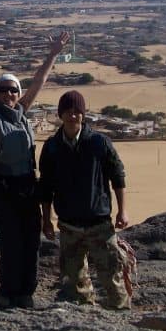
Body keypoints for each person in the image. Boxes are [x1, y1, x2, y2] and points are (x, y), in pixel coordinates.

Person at [0, 31, 70, 309]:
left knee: (31, 241)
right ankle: (7, 293)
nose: (9, 93)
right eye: (4, 89)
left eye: (13, 90)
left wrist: (53, 54)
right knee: (11, 242)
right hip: (5, 190)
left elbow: (39, 81)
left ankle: (27, 293)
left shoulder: (21, 112)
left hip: (27, 186)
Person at [37, 90, 131, 309]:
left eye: (77, 111)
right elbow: (45, 187)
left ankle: (123, 316)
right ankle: (85, 320)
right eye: (68, 112)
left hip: (99, 224)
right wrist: (46, 219)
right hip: (69, 226)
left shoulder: (100, 143)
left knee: (111, 276)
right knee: (74, 280)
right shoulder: (51, 147)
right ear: (60, 114)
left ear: (83, 114)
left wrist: (122, 210)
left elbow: (118, 176)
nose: (72, 116)